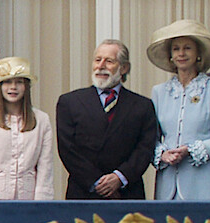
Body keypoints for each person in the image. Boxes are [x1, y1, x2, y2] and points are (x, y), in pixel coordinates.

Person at [55, 39, 160, 200]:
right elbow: (68, 149)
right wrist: (97, 182)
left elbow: (144, 148)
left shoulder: (142, 106)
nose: (101, 66)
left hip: (127, 194)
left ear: (124, 67)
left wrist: (119, 178)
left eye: (109, 61)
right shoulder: (69, 102)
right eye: (98, 60)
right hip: (84, 194)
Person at [147, 19, 210, 201]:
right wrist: (162, 154)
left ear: (198, 53)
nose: (181, 53)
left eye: (187, 48)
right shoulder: (159, 92)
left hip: (204, 183)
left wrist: (192, 149)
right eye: (176, 48)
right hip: (168, 184)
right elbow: (150, 139)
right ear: (170, 56)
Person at [0, 56, 56, 200]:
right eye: (7, 82)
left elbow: (45, 167)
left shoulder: (42, 120)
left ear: (26, 87)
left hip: (29, 201)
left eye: (19, 82)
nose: (13, 87)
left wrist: (40, 204)